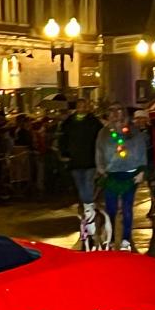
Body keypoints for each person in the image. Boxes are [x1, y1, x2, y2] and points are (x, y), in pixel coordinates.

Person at [96, 103, 147, 251]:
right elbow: (99, 152)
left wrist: (141, 171)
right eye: (112, 111)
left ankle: (125, 239)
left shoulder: (134, 132)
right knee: (110, 209)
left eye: (119, 110)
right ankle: (111, 238)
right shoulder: (104, 133)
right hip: (111, 174)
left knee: (127, 208)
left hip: (130, 173)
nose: (116, 114)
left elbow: (142, 150)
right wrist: (100, 168)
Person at [59, 98, 103, 235]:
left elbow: (100, 138)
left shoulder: (94, 122)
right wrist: (64, 153)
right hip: (75, 161)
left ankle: (88, 209)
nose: (81, 108)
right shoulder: (69, 122)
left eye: (84, 105)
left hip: (90, 160)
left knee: (88, 184)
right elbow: (63, 138)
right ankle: (87, 207)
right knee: (80, 185)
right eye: (79, 105)